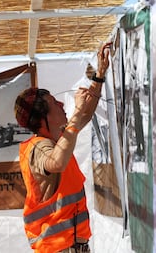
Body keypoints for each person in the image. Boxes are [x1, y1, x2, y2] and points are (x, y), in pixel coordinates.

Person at [14, 43, 111, 253]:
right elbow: (56, 162)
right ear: (42, 118)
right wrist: (75, 113)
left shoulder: (58, 139)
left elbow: (84, 115)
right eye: (54, 103)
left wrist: (99, 76)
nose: (60, 105)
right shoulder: (37, 147)